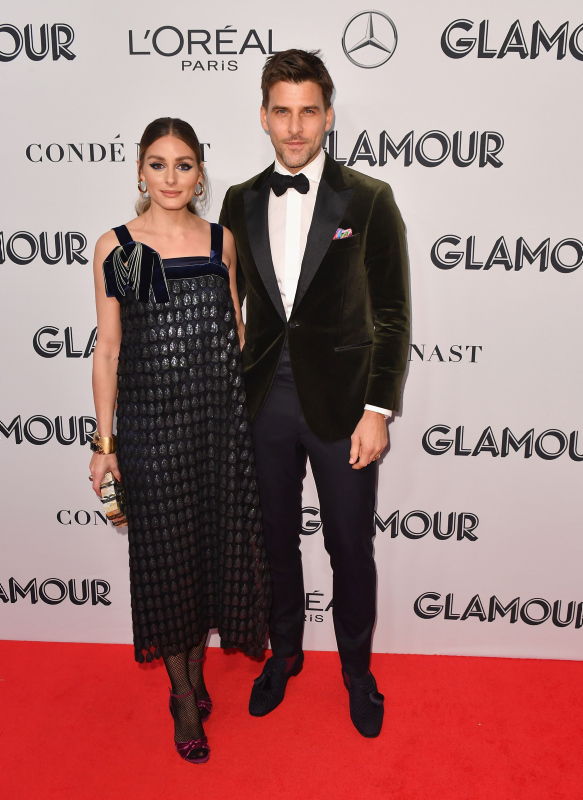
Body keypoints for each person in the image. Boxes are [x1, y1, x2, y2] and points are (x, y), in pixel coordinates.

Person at [219, 50, 410, 738]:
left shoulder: (369, 198)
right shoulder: (239, 200)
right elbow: (230, 306)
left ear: (328, 117)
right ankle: (285, 655)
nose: (295, 126)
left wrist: (377, 410)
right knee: (273, 541)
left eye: (308, 111)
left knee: (348, 546)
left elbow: (391, 313)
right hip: (262, 401)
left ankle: (356, 671)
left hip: (344, 405)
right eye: (282, 111)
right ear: (263, 117)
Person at [89, 117, 271, 764]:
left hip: (216, 427)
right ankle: (184, 697)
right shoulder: (118, 246)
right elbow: (110, 350)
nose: (171, 177)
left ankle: (192, 675)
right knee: (166, 565)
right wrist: (105, 444)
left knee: (206, 557)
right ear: (140, 171)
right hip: (151, 431)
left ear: (200, 174)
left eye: (184, 164)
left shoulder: (221, 241)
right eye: (158, 164)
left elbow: (237, 333)